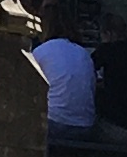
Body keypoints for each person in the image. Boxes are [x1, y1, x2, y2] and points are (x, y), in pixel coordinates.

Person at [30, 9, 101, 143]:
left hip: (55, 123)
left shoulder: (42, 51)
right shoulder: (83, 53)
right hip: (85, 125)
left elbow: (27, 86)